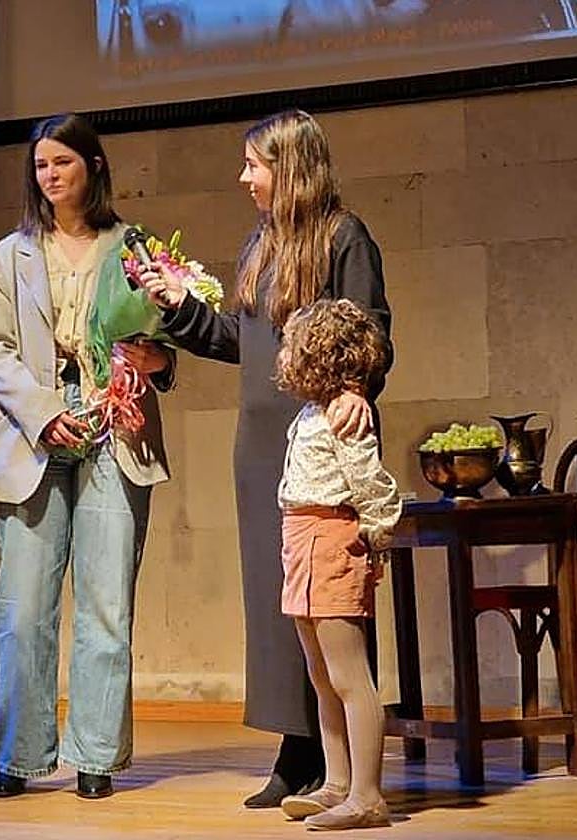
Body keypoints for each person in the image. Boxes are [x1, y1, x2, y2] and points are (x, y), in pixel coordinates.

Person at [141, 109, 393, 808]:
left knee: (327, 601)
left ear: (290, 168)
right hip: (260, 447)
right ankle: (301, 747)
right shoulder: (261, 242)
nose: (243, 176)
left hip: (318, 443)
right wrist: (181, 309)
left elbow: (371, 333)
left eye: (254, 163)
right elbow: (242, 339)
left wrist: (355, 390)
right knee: (279, 600)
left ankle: (331, 761)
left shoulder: (344, 238)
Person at [0, 113, 174, 800]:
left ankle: (95, 753)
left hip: (117, 424)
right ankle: (21, 753)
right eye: (41, 166)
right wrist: (45, 413)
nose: (51, 175)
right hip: (39, 431)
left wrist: (157, 358)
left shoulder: (133, 247)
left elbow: (163, 335)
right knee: (24, 607)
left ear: (92, 164)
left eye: (63, 162)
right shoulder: (10, 254)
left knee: (106, 601)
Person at [272, 299, 400, 830]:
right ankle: (337, 782)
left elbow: (371, 485)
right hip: (300, 537)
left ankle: (368, 795)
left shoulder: (345, 415)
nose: (283, 355)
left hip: (331, 537)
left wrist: (375, 537)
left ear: (317, 355)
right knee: (321, 676)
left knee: (349, 675)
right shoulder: (311, 413)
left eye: (292, 346)